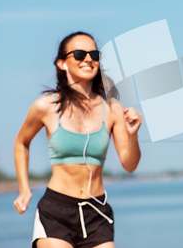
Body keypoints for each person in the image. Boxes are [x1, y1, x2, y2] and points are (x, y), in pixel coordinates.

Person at [13, 31, 142, 248]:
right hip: (56, 211)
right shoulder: (46, 106)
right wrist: (24, 189)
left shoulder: (113, 109)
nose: (88, 59)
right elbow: (21, 143)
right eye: (80, 54)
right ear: (62, 63)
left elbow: (129, 165)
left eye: (94, 54)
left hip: (97, 211)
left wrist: (133, 134)